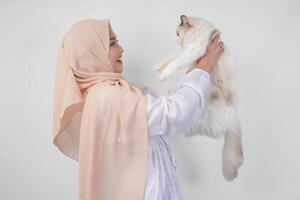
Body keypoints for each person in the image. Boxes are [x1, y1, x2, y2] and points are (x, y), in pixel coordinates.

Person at [52, 19, 224, 200]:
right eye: (112, 43)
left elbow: (154, 108)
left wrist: (193, 69)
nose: (121, 48)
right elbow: (173, 115)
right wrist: (203, 69)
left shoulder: (104, 95)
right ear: (91, 53)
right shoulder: (110, 96)